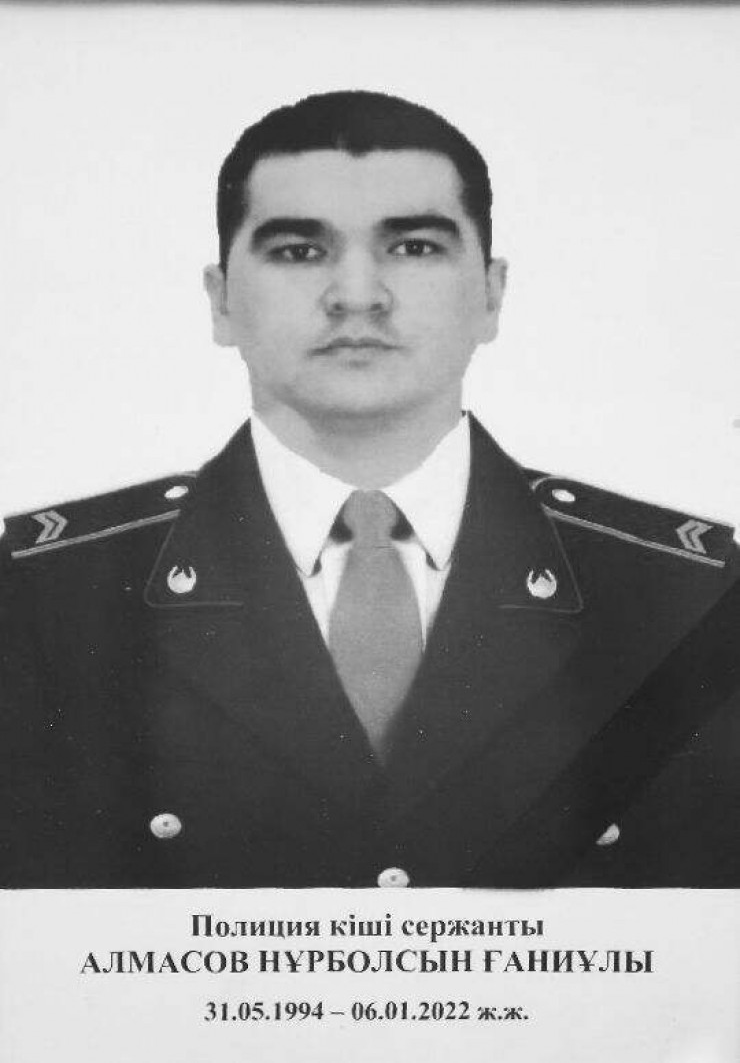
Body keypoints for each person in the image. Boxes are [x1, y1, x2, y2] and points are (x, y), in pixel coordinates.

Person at [1, 91, 738, 889]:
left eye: (414, 247)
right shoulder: (39, 597)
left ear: (492, 294)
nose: (357, 294)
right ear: (220, 301)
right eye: (297, 251)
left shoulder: (689, 596)